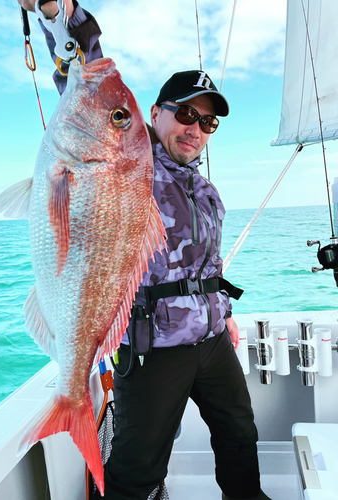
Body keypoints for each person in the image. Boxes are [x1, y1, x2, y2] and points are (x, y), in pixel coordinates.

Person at [18, 2, 272, 499]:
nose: (195, 129)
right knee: (138, 467)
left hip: (213, 339)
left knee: (240, 436)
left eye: (208, 123)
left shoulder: (204, 189)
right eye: (185, 114)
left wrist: (224, 310)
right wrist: (58, 14)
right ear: (155, 115)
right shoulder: (131, 162)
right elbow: (85, 73)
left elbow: (209, 262)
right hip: (155, 347)